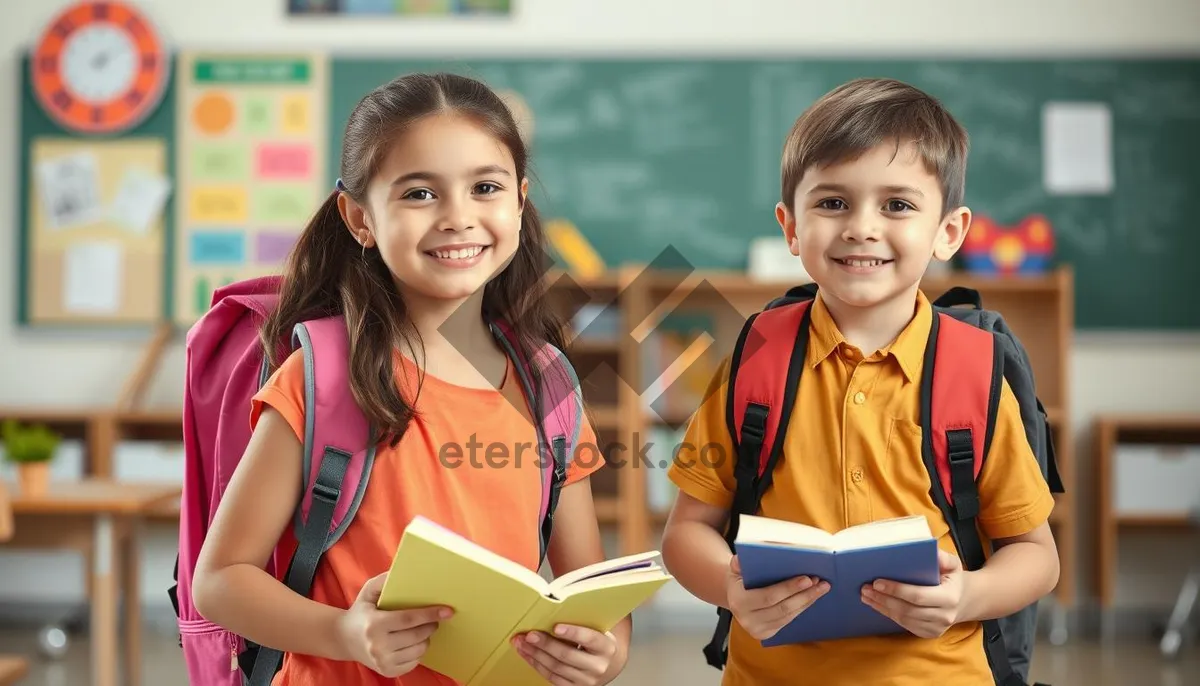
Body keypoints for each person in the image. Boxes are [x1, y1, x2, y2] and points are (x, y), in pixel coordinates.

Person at [192, 72, 628, 686]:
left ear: (520, 201)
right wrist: (344, 632)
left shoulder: (547, 382)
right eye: (420, 194)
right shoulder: (323, 379)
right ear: (359, 217)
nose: (458, 217)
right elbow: (219, 581)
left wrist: (603, 653)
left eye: (485, 187)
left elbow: (590, 591)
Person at [660, 77, 1061, 685]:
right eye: (832, 203)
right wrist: (730, 588)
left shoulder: (974, 369)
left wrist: (968, 596)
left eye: (897, 205)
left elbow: (1036, 556)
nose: (861, 228)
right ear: (790, 227)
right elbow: (687, 531)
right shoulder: (756, 358)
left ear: (948, 232)